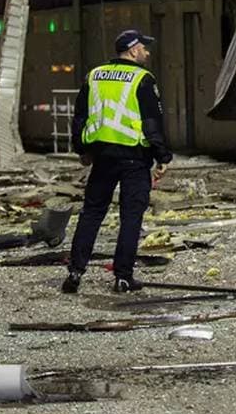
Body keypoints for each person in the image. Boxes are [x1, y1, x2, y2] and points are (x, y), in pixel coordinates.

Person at [62, 30, 172, 295]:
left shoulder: (94, 76)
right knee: (131, 217)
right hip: (134, 157)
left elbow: (79, 117)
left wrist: (81, 150)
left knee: (91, 214)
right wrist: (163, 157)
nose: (147, 52)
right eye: (144, 48)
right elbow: (151, 123)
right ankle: (123, 278)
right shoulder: (143, 79)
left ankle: (75, 274)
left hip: (102, 158)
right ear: (133, 50)